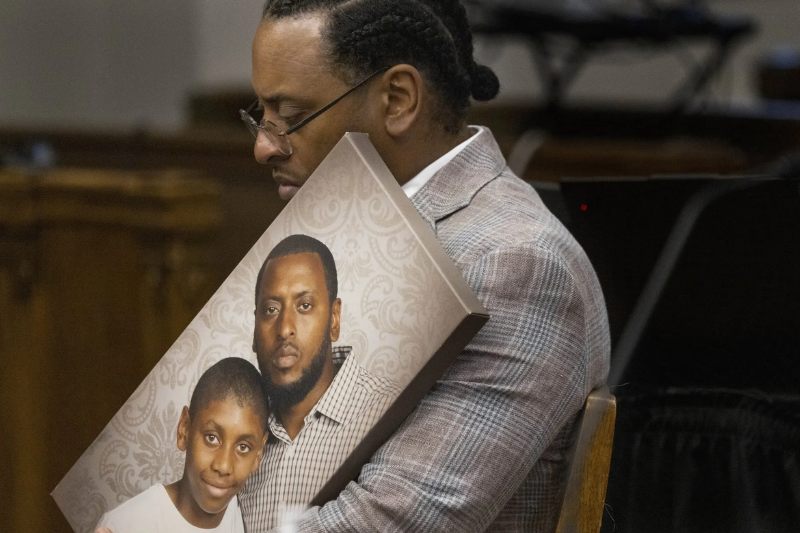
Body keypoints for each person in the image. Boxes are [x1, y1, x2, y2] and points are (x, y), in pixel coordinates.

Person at [240, 0, 611, 531]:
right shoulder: (333, 226)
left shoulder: (512, 265)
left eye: (293, 118)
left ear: (398, 99)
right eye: (260, 116)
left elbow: (392, 522)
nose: (262, 146)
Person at [240, 234, 402, 529]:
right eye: (271, 310)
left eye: (304, 306)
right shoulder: (238, 445)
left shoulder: (394, 411)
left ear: (334, 319)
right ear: (254, 330)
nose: (285, 328)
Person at [94, 358, 270, 533]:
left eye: (243, 447)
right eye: (212, 437)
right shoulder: (123, 525)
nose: (223, 466)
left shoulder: (246, 513)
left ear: (258, 454)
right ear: (184, 429)